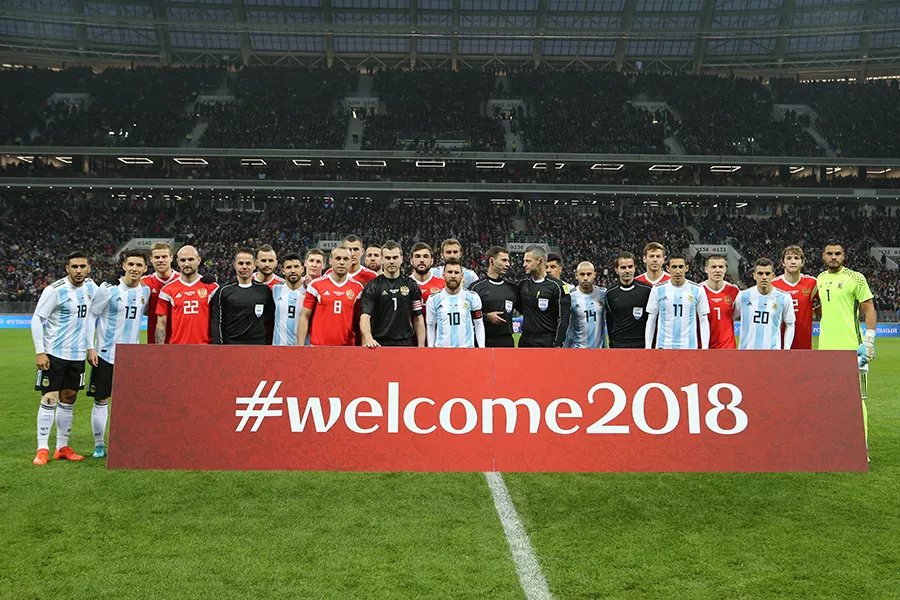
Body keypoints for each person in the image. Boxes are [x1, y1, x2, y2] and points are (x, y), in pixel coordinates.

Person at [30, 251, 98, 465]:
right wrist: (40, 351)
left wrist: (90, 347)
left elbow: (93, 315)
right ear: (67, 268)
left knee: (69, 399)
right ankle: (42, 449)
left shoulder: (91, 287)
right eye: (74, 266)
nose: (78, 270)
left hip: (77, 355)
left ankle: (62, 447)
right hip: (54, 353)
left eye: (82, 266)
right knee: (49, 398)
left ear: (89, 268)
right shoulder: (55, 290)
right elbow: (37, 319)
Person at [85, 250, 150, 458]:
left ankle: (126, 442)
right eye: (131, 264)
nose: (134, 268)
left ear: (145, 269)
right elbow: (91, 315)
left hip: (132, 358)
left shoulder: (146, 291)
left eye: (139, 265)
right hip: (106, 354)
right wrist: (90, 347)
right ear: (123, 266)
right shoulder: (108, 289)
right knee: (101, 400)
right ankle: (99, 445)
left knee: (129, 403)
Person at [816, 240, 878, 450]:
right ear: (823, 256)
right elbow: (826, 307)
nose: (833, 257)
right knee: (828, 399)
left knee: (856, 399)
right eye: (829, 253)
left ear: (844, 256)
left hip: (852, 349)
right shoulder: (820, 278)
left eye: (837, 254)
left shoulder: (855, 278)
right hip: (825, 350)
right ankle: (834, 443)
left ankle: (861, 447)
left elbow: (869, 309)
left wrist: (869, 341)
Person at [360, 241, 426, 347]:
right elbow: (365, 316)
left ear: (401, 259)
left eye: (395, 258)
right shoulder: (373, 286)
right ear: (382, 259)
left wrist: (421, 346)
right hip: (380, 343)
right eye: (388, 258)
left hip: (405, 343)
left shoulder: (411, 285)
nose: (391, 261)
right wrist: (368, 338)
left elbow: (418, 317)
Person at [298, 246, 365, 346]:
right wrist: (300, 347)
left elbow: (360, 320)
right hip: (318, 347)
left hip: (346, 348)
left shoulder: (358, 288)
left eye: (345, 259)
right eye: (338, 258)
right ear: (330, 261)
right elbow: (304, 316)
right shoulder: (316, 285)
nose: (341, 262)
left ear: (351, 262)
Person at [156, 245, 219, 345]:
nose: (186, 264)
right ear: (178, 262)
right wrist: (160, 349)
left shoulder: (212, 288)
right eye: (183, 260)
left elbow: (220, 318)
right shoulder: (167, 290)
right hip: (177, 348)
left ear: (198, 260)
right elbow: (161, 324)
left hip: (204, 348)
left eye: (190, 259)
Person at [211, 248, 275, 345]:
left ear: (254, 265)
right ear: (235, 265)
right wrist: (217, 344)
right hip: (232, 345)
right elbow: (217, 320)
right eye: (241, 263)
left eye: (248, 263)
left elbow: (270, 319)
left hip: (258, 345)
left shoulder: (264, 290)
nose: (244, 267)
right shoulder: (224, 290)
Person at [645, 254, 710, 349]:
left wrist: (705, 347)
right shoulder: (657, 289)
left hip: (689, 347)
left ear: (686, 268)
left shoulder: (697, 289)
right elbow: (651, 319)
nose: (678, 271)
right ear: (668, 268)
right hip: (664, 346)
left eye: (681, 267)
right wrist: (648, 347)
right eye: (674, 267)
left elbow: (704, 320)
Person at [516, 244, 571, 348]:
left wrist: (558, 343)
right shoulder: (523, 285)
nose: (524, 264)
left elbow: (564, 318)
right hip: (525, 340)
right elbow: (520, 307)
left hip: (547, 341)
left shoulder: (557, 286)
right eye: (524, 261)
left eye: (528, 261)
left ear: (540, 261)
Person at [734, 259, 795, 350]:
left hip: (772, 353)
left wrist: (786, 349)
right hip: (746, 353)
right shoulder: (743, 296)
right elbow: (730, 319)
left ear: (773, 275)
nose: (764, 277)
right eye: (760, 273)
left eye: (767, 273)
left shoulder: (784, 298)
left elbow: (790, 324)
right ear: (754, 275)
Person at [426, 259, 485, 348]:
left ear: (462, 276)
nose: (453, 276)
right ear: (443, 275)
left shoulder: (472, 297)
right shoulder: (433, 299)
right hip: (442, 352)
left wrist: (481, 347)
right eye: (450, 272)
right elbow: (431, 326)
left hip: (466, 351)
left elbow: (479, 324)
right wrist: (431, 348)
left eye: (456, 272)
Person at [469, 246, 519, 348]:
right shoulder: (476, 287)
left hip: (506, 341)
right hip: (483, 341)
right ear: (492, 261)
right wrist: (486, 316)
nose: (508, 264)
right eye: (504, 260)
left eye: (508, 261)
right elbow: (466, 314)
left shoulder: (512, 288)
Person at [772, 245, 819, 350]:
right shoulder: (773, 285)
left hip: (804, 345)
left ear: (802, 262)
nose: (793, 261)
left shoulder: (812, 283)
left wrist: (815, 312)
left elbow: (829, 301)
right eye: (789, 258)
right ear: (783, 262)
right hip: (778, 345)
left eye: (796, 258)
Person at [605, 252, 653, 348]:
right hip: (619, 343)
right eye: (623, 268)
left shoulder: (647, 290)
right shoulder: (610, 293)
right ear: (616, 270)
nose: (627, 270)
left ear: (635, 268)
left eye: (630, 267)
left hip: (641, 343)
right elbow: (610, 320)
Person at [142, 241, 178, 344]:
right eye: (157, 257)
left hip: (178, 340)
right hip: (154, 341)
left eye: (164, 256)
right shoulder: (144, 282)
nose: (160, 260)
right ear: (151, 259)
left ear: (171, 257)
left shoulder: (181, 280)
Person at [701, 254, 739, 349]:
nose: (717, 270)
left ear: (725, 269)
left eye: (721, 267)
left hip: (727, 348)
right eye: (713, 267)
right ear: (706, 269)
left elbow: (735, 315)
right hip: (704, 347)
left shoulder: (734, 291)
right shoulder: (698, 290)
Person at [566, 261, 607, 348]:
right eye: (582, 274)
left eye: (589, 274)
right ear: (576, 275)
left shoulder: (603, 294)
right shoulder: (570, 297)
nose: (585, 278)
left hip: (600, 351)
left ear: (594, 275)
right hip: (578, 350)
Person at [272, 253, 305, 346]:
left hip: (302, 348)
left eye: (296, 267)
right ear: (283, 271)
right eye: (289, 267)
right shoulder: (276, 289)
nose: (293, 270)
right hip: (279, 348)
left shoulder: (310, 291)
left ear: (302, 269)